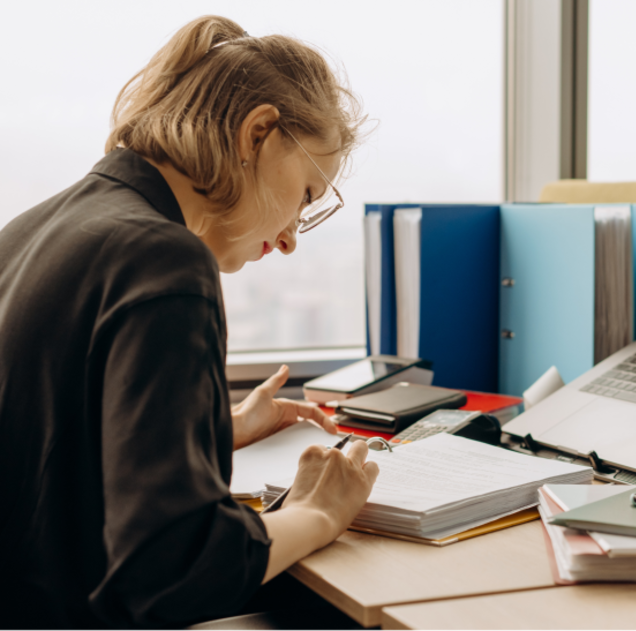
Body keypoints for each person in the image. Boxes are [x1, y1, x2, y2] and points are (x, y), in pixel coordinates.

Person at [0, 15, 378, 630]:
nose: (290, 239)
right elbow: (173, 571)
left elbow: (49, 451)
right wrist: (318, 512)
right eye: (307, 196)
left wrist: (211, 431)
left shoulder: (33, 230)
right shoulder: (165, 259)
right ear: (258, 133)